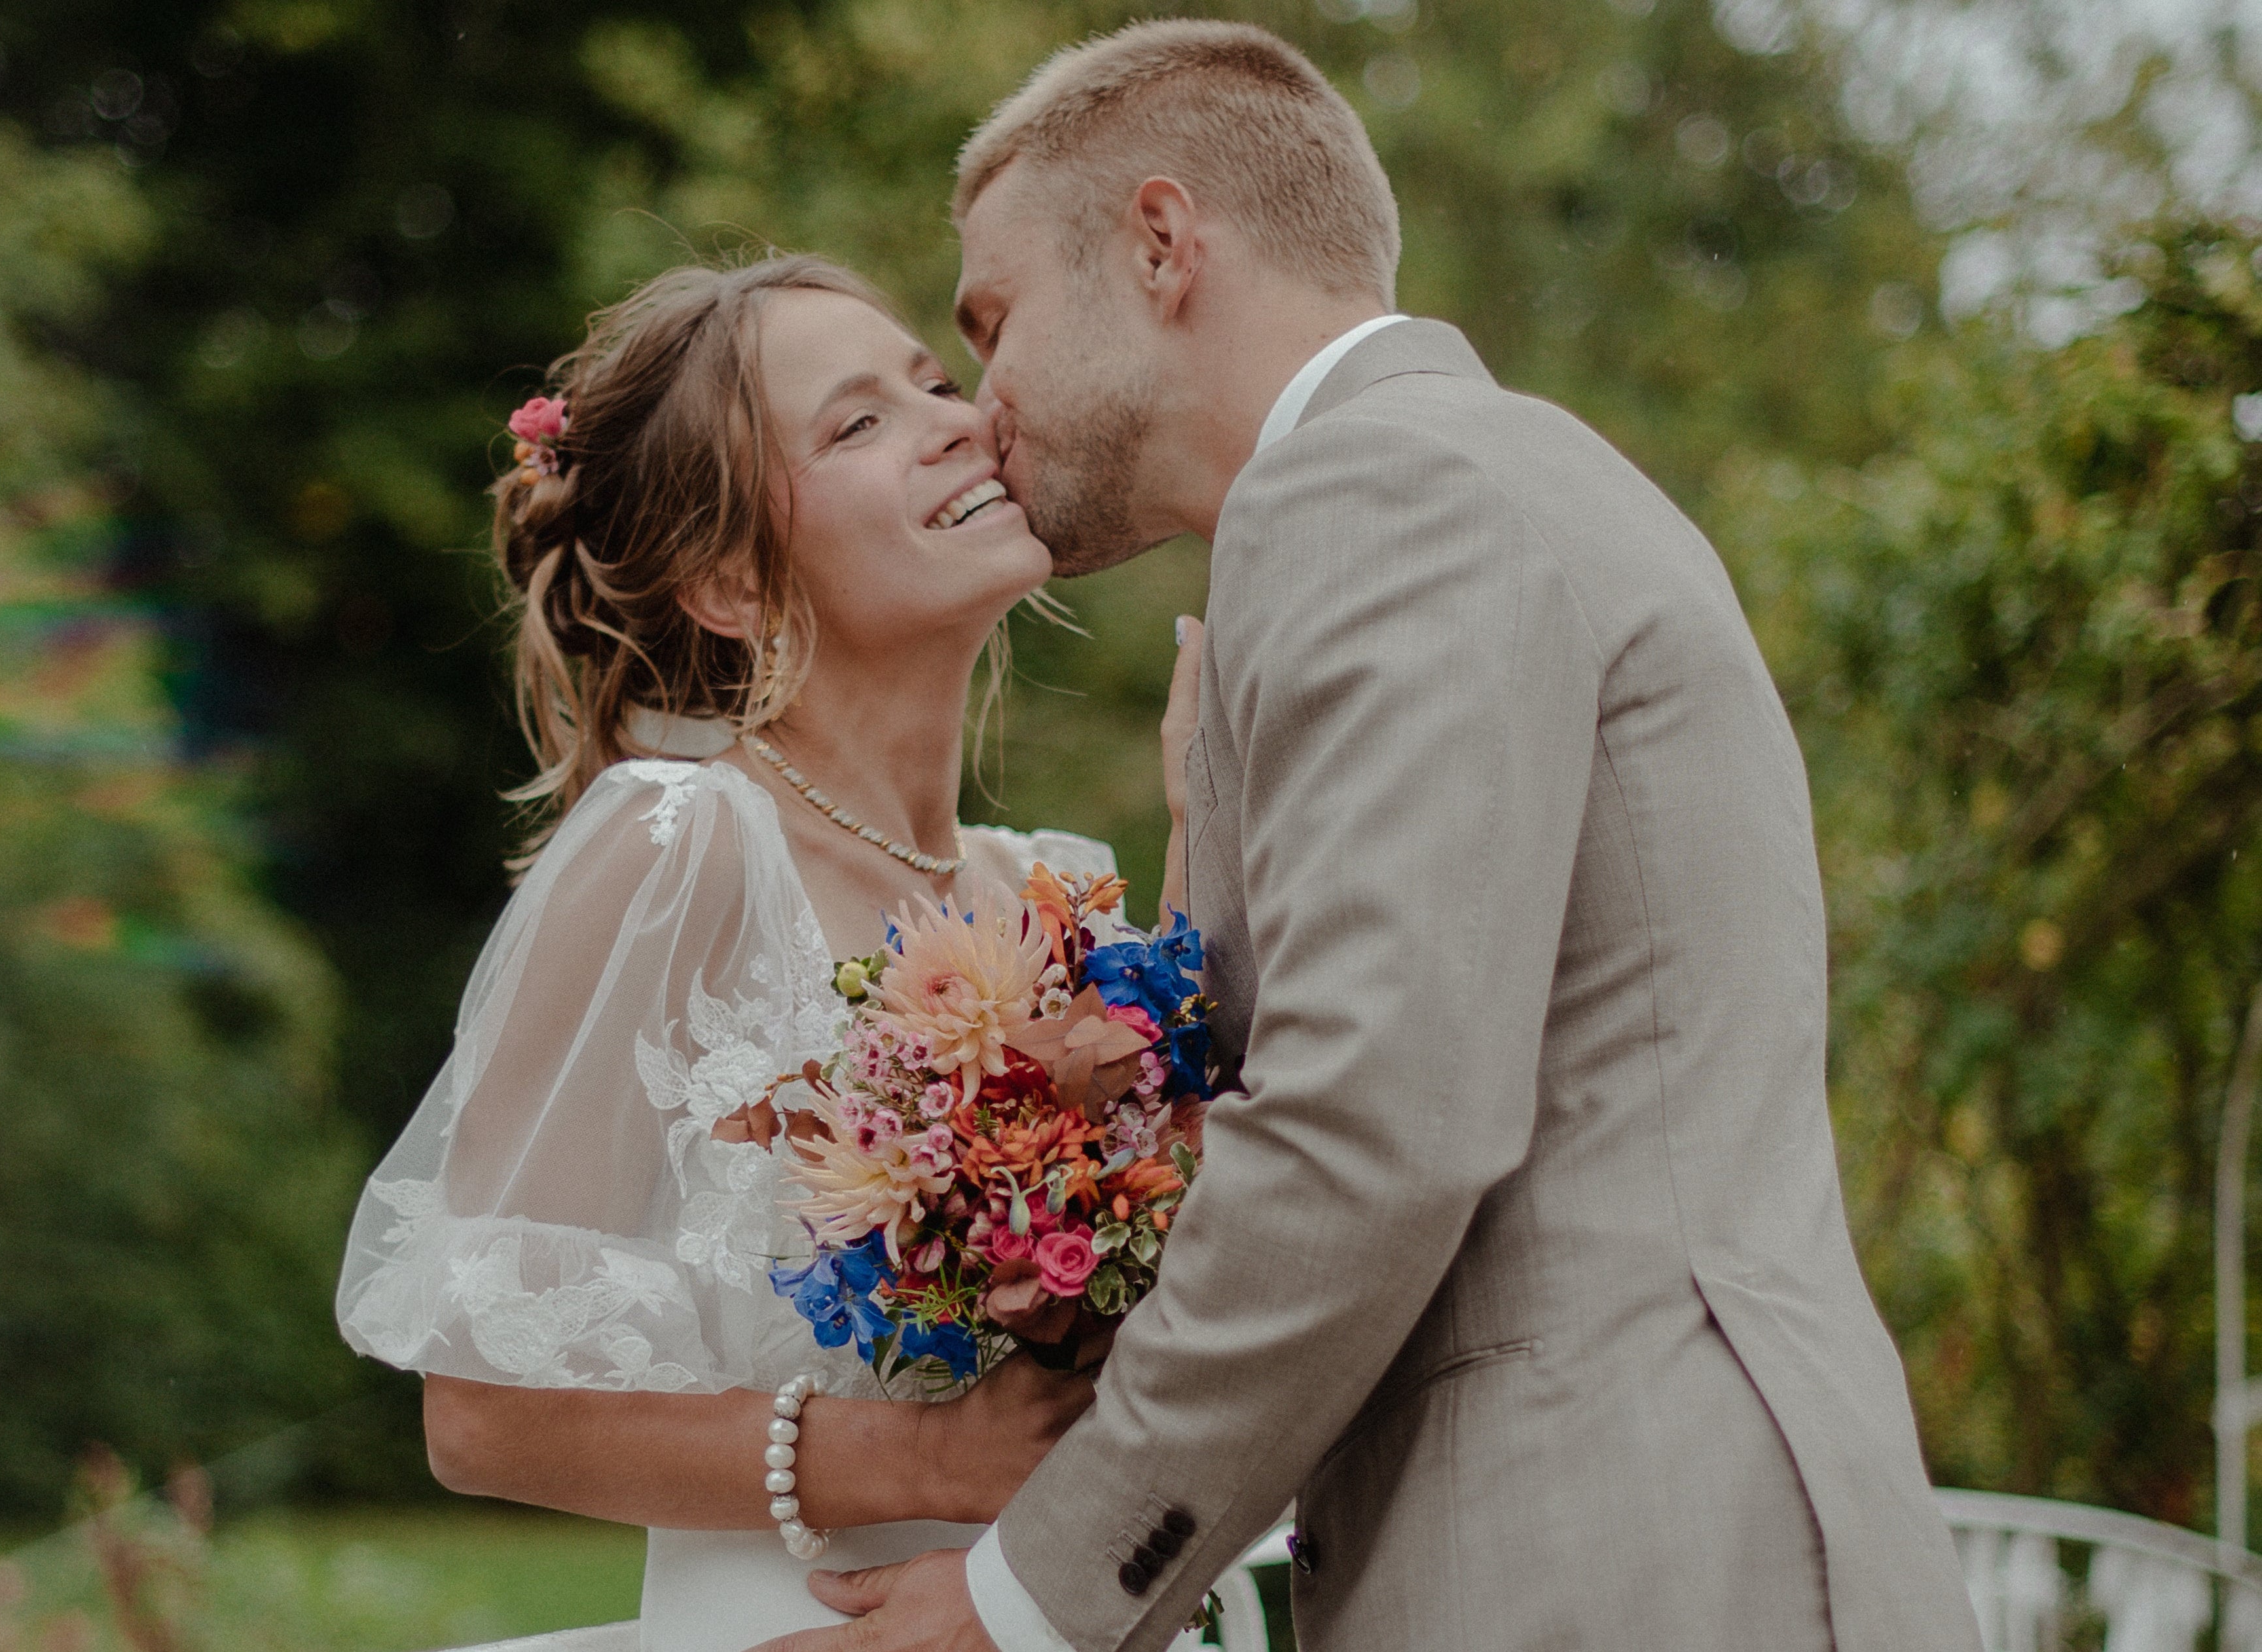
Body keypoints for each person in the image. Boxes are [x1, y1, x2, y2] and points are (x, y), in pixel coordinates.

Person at [756, 20, 1982, 1652]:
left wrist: (1018, 1602)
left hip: (1606, 1557)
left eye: (992, 324)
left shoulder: (1375, 493)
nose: (983, 406)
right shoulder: (1485, 474)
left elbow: (1371, 1122)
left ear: (1160, 241)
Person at [333, 254, 1133, 1652]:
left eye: (934, 383)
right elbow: (479, 1406)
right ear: (725, 582)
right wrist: (929, 1459)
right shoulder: (679, 847)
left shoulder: (1067, 892)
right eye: (857, 423)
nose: (952, 418)